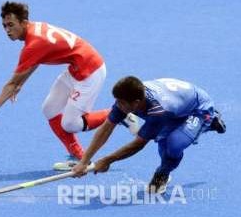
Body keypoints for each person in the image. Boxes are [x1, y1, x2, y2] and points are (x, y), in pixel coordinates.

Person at [0, 1, 138, 170]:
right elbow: (35, 60)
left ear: (23, 23)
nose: (7, 30)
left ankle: (121, 114)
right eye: (4, 26)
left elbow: (12, 82)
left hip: (90, 72)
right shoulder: (34, 29)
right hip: (77, 67)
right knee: (50, 109)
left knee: (71, 124)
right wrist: (20, 83)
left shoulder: (33, 45)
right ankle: (78, 156)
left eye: (11, 25)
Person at [72, 76, 226, 193]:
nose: (117, 106)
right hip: (175, 106)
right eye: (117, 102)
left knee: (173, 145)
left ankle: (210, 120)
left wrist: (106, 160)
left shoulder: (158, 112)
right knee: (163, 140)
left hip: (198, 108)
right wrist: (84, 161)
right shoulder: (127, 99)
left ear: (136, 103)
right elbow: (106, 128)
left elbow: (138, 144)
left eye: (121, 103)